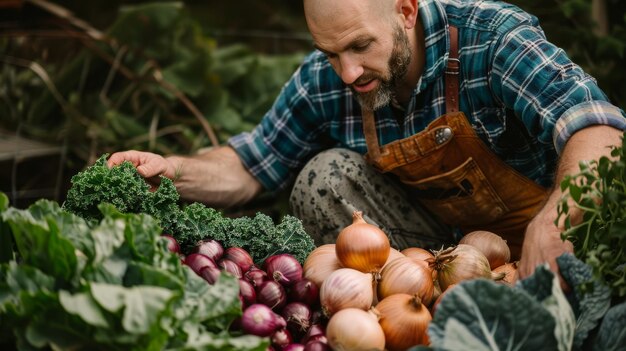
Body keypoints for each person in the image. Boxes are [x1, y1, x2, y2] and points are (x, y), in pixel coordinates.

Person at [108, 0, 626, 285]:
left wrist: (558, 220)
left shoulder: (492, 38)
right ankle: (408, 310)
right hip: (438, 256)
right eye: (331, 52)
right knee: (322, 178)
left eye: (360, 46)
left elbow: (599, 129)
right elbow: (250, 164)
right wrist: (172, 169)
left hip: (555, 241)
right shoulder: (326, 76)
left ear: (405, 8)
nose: (348, 71)